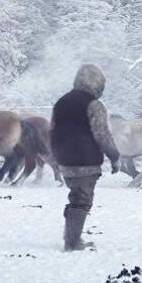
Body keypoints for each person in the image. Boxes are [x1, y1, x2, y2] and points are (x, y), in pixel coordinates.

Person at [50, 64, 120, 251]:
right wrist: (114, 155)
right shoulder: (94, 105)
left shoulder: (61, 102)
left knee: (75, 198)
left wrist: (56, 156)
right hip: (85, 160)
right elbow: (102, 134)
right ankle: (72, 243)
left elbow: (53, 130)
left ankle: (71, 237)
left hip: (64, 159)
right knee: (81, 201)